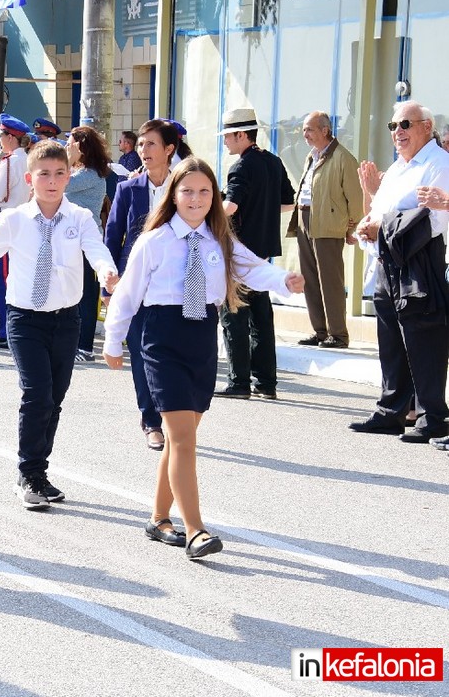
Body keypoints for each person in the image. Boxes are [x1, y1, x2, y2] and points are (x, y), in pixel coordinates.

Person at [104, 157, 303, 559]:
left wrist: (284, 280)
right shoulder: (154, 240)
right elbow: (126, 295)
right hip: (161, 337)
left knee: (183, 438)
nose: (196, 198)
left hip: (201, 338)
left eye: (204, 191)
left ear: (215, 197)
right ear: (173, 196)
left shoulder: (220, 239)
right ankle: (195, 529)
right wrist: (113, 341)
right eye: (188, 191)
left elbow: (252, 269)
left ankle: (159, 517)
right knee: (181, 438)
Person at [0, 141, 118, 509]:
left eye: (61, 173)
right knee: (37, 394)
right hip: (25, 320)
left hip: (66, 320)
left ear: (69, 176)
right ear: (30, 178)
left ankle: (39, 473)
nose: (53, 181)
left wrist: (106, 272)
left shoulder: (79, 218)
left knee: (54, 400)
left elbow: (96, 249)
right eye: (44, 174)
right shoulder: (14, 220)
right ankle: (27, 473)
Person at [349, 101, 449, 443]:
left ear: (426, 126)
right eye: (393, 126)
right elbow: (378, 211)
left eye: (405, 124)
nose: (398, 132)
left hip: (420, 261)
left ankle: (433, 416)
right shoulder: (396, 170)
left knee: (424, 341)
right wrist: (366, 227)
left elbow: (433, 220)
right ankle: (392, 411)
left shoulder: (439, 164)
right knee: (390, 341)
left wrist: (382, 228)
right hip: (388, 262)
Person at [105, 119, 183, 451]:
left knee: (171, 352)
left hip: (173, 282)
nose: (143, 150)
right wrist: (108, 280)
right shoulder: (128, 188)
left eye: (150, 144)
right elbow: (112, 234)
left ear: (169, 149)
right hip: (133, 281)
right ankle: (150, 419)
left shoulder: (185, 188)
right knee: (139, 350)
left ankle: (174, 414)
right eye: (140, 144)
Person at [216, 107, 295, 401]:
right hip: (263, 252)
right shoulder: (273, 162)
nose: (225, 142)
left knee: (234, 315)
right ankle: (265, 382)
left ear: (241, 134)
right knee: (261, 317)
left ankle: (239, 382)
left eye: (228, 136)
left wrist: (208, 222)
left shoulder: (240, 167)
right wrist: (261, 209)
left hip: (240, 253)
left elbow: (231, 206)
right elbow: (288, 203)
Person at [292, 111, 363, 349]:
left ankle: (338, 334)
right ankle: (320, 332)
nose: (305, 134)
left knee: (329, 280)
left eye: (310, 129)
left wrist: (352, 226)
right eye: (304, 129)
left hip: (328, 225)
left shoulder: (343, 157)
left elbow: (355, 197)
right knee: (310, 279)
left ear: (325, 130)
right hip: (305, 219)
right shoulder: (311, 157)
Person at [0, 113, 32, 349]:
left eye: (3, 136)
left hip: (5, 220)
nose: (0, 140)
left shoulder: (10, 162)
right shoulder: (26, 160)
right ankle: (11, 330)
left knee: (2, 281)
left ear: (11, 138)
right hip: (22, 222)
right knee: (13, 279)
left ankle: (6, 332)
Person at [65, 125, 112, 364]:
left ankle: (84, 346)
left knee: (85, 294)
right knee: (72, 292)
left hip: (85, 240)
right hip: (69, 238)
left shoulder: (90, 174)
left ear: (82, 146)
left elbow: (59, 183)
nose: (67, 147)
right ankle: (74, 342)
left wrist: (68, 160)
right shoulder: (80, 170)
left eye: (71, 143)